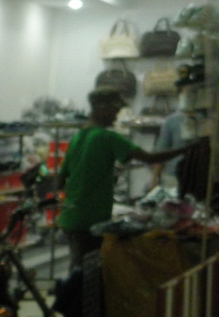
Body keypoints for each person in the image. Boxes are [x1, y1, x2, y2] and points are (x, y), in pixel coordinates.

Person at [58, 87, 191, 267]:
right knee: (89, 273)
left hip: (70, 217)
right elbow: (150, 158)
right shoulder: (107, 137)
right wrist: (186, 149)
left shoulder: (77, 137)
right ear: (102, 108)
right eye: (114, 110)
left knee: (78, 267)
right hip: (89, 220)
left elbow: (60, 179)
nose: (116, 116)